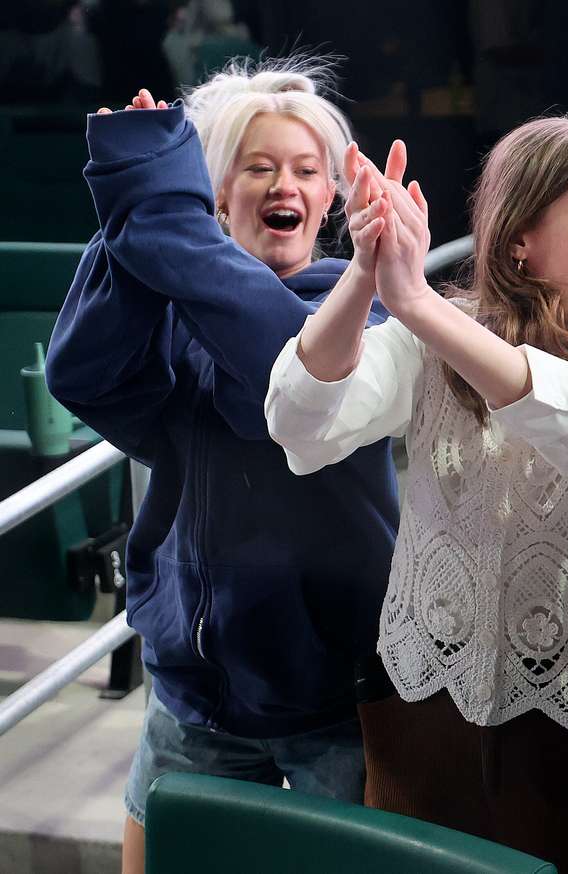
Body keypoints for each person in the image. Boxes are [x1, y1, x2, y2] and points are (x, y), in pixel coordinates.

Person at [263, 115, 568, 873]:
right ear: (519, 238)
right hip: (424, 708)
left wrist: (419, 303)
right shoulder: (430, 343)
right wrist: (369, 271)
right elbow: (301, 422)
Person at [45, 59, 400, 874]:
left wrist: (156, 204)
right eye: (260, 166)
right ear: (216, 195)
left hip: (334, 701)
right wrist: (140, 200)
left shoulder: (363, 308)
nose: (288, 184)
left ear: (330, 198)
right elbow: (86, 375)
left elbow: (275, 384)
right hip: (194, 695)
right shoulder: (179, 311)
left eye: (308, 170)